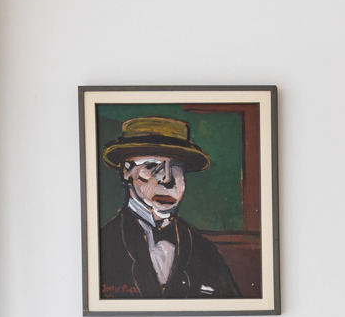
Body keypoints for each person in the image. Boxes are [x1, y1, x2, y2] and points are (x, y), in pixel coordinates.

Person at [96, 116, 244, 301]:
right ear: (126, 172)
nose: (168, 180)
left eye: (176, 168)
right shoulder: (103, 246)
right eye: (152, 166)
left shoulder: (205, 251)